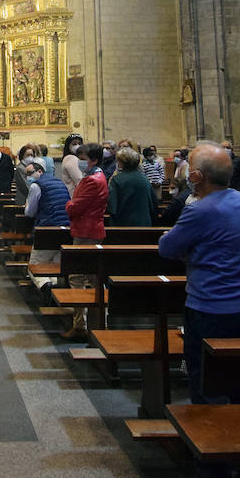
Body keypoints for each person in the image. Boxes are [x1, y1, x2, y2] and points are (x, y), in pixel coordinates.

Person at [158, 142, 240, 478]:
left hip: (209, 309)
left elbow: (167, 247)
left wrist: (189, 248)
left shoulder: (200, 210)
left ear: (197, 177)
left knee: (208, 395)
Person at [61, 143, 110, 340]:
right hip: (89, 229)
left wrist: (69, 203)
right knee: (89, 277)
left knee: (79, 277)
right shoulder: (96, 176)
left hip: (86, 232)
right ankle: (88, 323)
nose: (79, 162)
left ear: (94, 159)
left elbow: (74, 207)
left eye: (83, 158)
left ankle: (81, 324)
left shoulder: (93, 181)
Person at [107, 147, 156, 226]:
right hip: (144, 224)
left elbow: (112, 206)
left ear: (122, 162)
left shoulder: (116, 180)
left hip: (122, 224)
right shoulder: (144, 179)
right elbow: (153, 203)